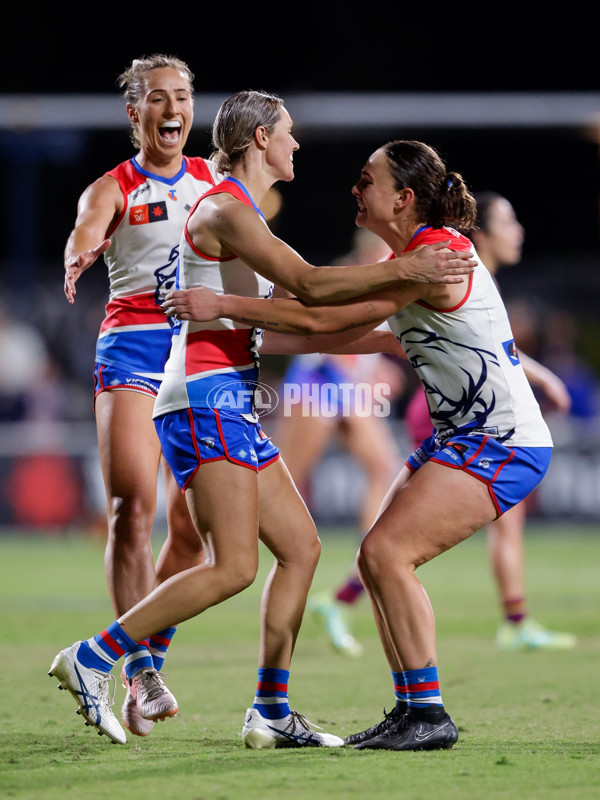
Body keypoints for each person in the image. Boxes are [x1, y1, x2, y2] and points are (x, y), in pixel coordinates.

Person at [49, 93, 476, 748]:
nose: (297, 144)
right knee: (233, 567)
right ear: (256, 139)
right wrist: (409, 269)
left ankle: (270, 712)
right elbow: (308, 285)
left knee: (302, 550)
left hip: (227, 398)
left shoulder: (242, 214)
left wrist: (396, 334)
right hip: (202, 395)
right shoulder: (224, 208)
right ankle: (94, 657)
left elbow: (301, 322)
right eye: (288, 133)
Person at [167, 139, 555, 751]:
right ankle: (412, 709)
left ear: (403, 198)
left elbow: (323, 315)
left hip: (500, 440)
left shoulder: (434, 254)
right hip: (467, 437)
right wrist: (239, 331)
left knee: (384, 555)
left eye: (366, 181)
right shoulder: (416, 259)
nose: (355, 188)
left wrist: (223, 306)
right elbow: (348, 334)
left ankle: (427, 713)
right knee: (380, 558)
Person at [61, 54, 220, 737]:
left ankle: (143, 650)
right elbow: (86, 226)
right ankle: (140, 673)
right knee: (133, 507)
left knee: (195, 530)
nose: (172, 108)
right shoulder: (112, 186)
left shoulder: (213, 182)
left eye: (182, 96)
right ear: (136, 114)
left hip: (202, 357)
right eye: (158, 98)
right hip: (133, 350)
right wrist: (81, 250)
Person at [404, 191, 576, 652]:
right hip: (456, 415)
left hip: (464, 412)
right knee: (495, 519)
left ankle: (346, 597)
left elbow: (497, 348)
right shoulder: (457, 270)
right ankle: (516, 621)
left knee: (394, 541)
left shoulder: (477, 277)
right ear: (481, 233)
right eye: (510, 221)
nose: (518, 231)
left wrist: (540, 376)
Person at [277, 230, 404, 657]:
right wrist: (361, 380)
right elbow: (328, 341)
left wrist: (377, 373)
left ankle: (351, 584)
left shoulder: (387, 281)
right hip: (317, 383)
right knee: (283, 481)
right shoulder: (352, 276)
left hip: (345, 387)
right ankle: (216, 548)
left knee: (384, 470)